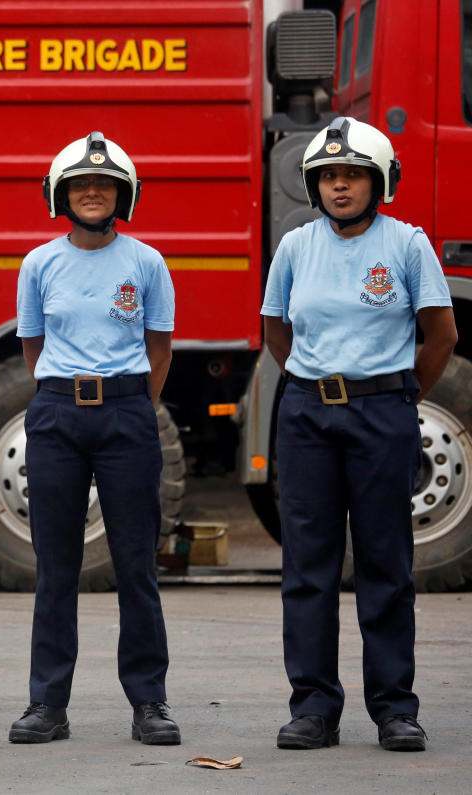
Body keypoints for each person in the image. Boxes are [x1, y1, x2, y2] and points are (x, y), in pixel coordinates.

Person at [261, 117, 457, 752]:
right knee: (308, 567)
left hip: (383, 415)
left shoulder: (407, 244)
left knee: (385, 564)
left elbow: (440, 335)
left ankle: (395, 708)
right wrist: (315, 387)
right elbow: (276, 331)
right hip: (308, 417)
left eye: (353, 176)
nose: (340, 186)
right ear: (313, 186)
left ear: (380, 183)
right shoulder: (295, 246)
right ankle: (313, 707)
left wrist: (399, 399)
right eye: (328, 177)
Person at [8, 132, 180, 746]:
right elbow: (33, 349)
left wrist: (131, 404)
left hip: (127, 415)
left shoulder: (146, 262)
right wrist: (66, 396)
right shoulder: (39, 264)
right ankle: (46, 704)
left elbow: (159, 348)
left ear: (122, 195)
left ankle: (150, 703)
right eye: (80, 184)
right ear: (60, 194)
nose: (91, 192)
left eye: (103, 185)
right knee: (57, 566)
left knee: (136, 565)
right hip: (57, 415)